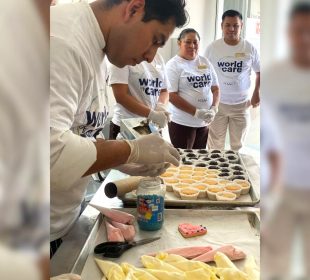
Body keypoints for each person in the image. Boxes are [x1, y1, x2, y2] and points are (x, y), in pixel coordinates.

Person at [50, 0, 187, 259]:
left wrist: (119, 163)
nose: (150, 56)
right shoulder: (62, 42)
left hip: (59, 222)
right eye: (155, 40)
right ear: (133, 8)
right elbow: (48, 154)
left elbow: (82, 132)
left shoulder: (99, 49)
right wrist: (129, 150)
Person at [261, 2, 310, 279]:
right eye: (299, 31)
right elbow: (268, 139)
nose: (305, 38)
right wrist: (269, 192)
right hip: (283, 190)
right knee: (273, 264)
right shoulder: (274, 77)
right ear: (288, 33)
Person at [204, 9, 260, 151]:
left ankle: (236, 172)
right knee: (215, 145)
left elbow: (260, 72)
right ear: (222, 26)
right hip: (218, 104)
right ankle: (215, 172)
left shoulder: (249, 48)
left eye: (236, 25)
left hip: (241, 105)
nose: (231, 29)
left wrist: (256, 94)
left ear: (241, 26)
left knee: (238, 146)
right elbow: (204, 73)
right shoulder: (213, 48)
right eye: (227, 25)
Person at [165, 28, 220, 149]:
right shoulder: (173, 65)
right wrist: (196, 112)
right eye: (188, 42)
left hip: (203, 123)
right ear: (179, 43)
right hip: (182, 123)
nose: (192, 46)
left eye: (195, 42)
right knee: (183, 161)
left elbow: (216, 89)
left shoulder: (204, 62)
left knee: (199, 160)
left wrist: (214, 108)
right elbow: (171, 96)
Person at [108, 52, 170, 139]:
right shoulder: (123, 54)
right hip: (127, 125)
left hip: (150, 126)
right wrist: (152, 114)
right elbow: (121, 96)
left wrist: (160, 106)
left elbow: (164, 90)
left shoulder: (158, 57)